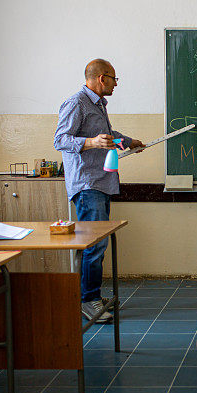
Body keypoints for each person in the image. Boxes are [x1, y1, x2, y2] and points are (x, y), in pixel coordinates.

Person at [54, 59, 143, 323]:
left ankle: (92, 295)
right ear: (102, 78)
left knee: (99, 243)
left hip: (101, 182)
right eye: (115, 79)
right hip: (87, 184)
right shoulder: (76, 103)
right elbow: (60, 139)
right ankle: (88, 301)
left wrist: (128, 141)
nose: (116, 84)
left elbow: (106, 135)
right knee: (94, 244)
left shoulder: (98, 105)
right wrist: (92, 142)